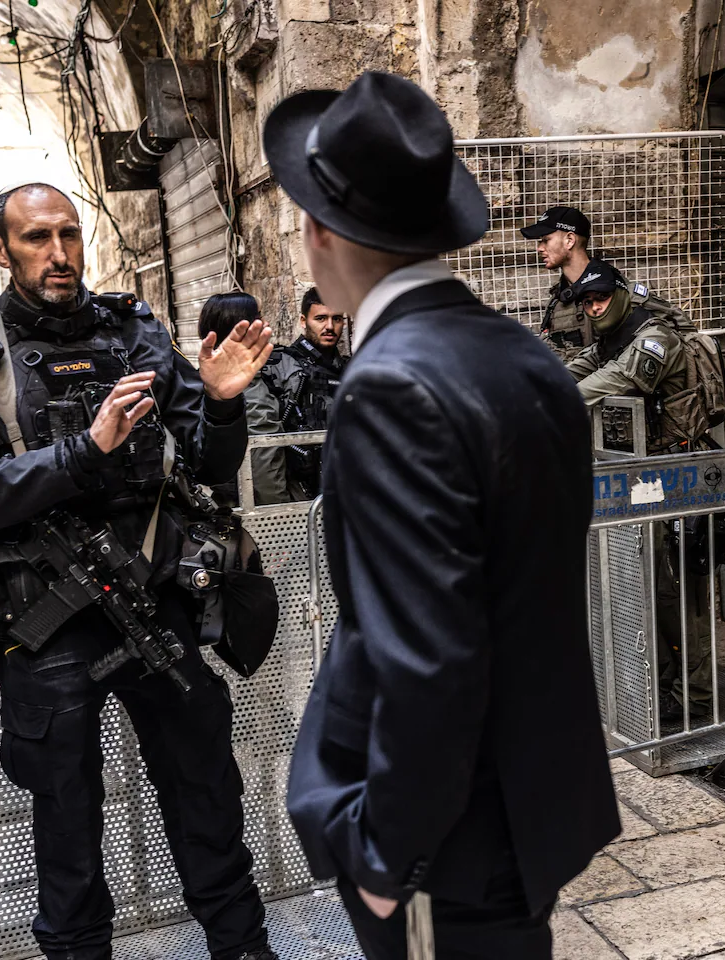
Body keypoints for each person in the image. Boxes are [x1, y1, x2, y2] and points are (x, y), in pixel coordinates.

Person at [265, 72, 619, 958]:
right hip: (524, 804)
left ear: (318, 231)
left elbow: (430, 659)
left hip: (442, 840)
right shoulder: (524, 356)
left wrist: (387, 860)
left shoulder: (389, 384)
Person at [0, 183, 276, 959]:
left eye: (70, 235)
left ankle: (243, 946)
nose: (59, 254)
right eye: (38, 238)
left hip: (154, 601)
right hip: (44, 624)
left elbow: (212, 467)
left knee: (206, 789)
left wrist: (219, 404)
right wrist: (83, 453)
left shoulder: (133, 333)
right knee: (67, 815)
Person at [565, 258, 715, 723]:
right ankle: (666, 684)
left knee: (677, 593)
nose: (593, 308)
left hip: (679, 478)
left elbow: (625, 377)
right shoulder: (612, 340)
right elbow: (576, 370)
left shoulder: (654, 336)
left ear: (622, 294)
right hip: (646, 480)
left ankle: (697, 693)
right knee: (648, 588)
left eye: (601, 298)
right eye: (587, 301)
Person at [200, 292, 302, 506]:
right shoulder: (245, 382)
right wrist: (280, 516)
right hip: (254, 508)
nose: (265, 323)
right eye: (259, 316)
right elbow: (263, 456)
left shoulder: (208, 374)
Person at [260, 287, 347, 498]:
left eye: (336, 319)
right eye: (320, 318)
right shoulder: (280, 365)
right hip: (298, 486)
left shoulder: (350, 368)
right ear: (303, 320)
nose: (329, 326)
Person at [520, 205, 593, 360]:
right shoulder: (557, 301)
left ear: (570, 240)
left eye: (546, 240)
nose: (539, 248)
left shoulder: (611, 292)